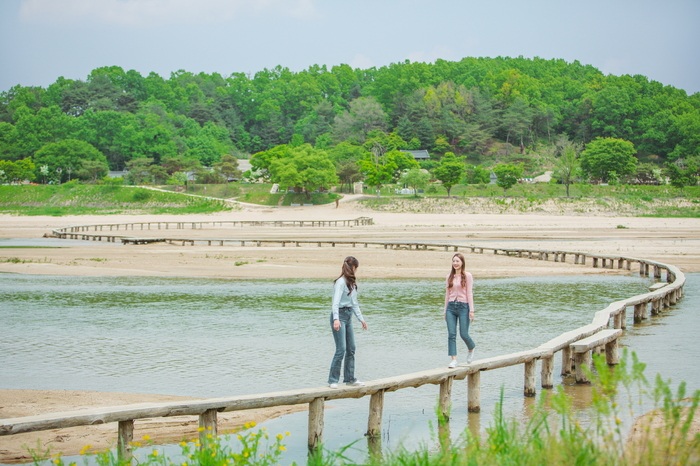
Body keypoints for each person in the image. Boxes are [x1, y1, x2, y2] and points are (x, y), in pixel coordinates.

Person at [328, 256, 368, 388]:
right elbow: (335, 302)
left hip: (348, 315)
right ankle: (333, 380)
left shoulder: (351, 283)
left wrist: (361, 319)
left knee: (351, 349)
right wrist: (336, 319)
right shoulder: (340, 282)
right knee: (341, 349)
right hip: (339, 315)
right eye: (356, 268)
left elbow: (354, 303)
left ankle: (350, 378)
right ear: (354, 267)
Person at [444, 253, 475, 368]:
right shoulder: (449, 277)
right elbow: (447, 295)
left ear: (462, 262)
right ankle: (453, 359)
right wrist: (445, 311)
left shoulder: (467, 276)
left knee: (464, 334)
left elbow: (469, 293)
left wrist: (471, 311)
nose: (455, 263)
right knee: (451, 334)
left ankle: (471, 348)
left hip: (464, 307)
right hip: (451, 307)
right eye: (454, 261)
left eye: (457, 261)